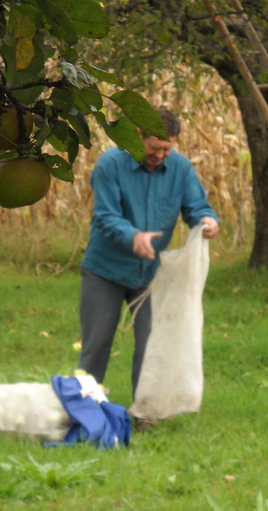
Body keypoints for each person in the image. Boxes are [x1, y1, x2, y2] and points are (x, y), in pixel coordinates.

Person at [77, 108, 220, 400]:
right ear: (137, 137)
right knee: (97, 344)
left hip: (151, 274)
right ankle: (82, 410)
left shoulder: (180, 168)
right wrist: (135, 237)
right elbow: (105, 216)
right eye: (155, 148)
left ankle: (145, 412)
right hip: (105, 271)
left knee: (152, 346)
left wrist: (207, 221)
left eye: (168, 148)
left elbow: (197, 207)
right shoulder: (110, 165)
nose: (161, 155)